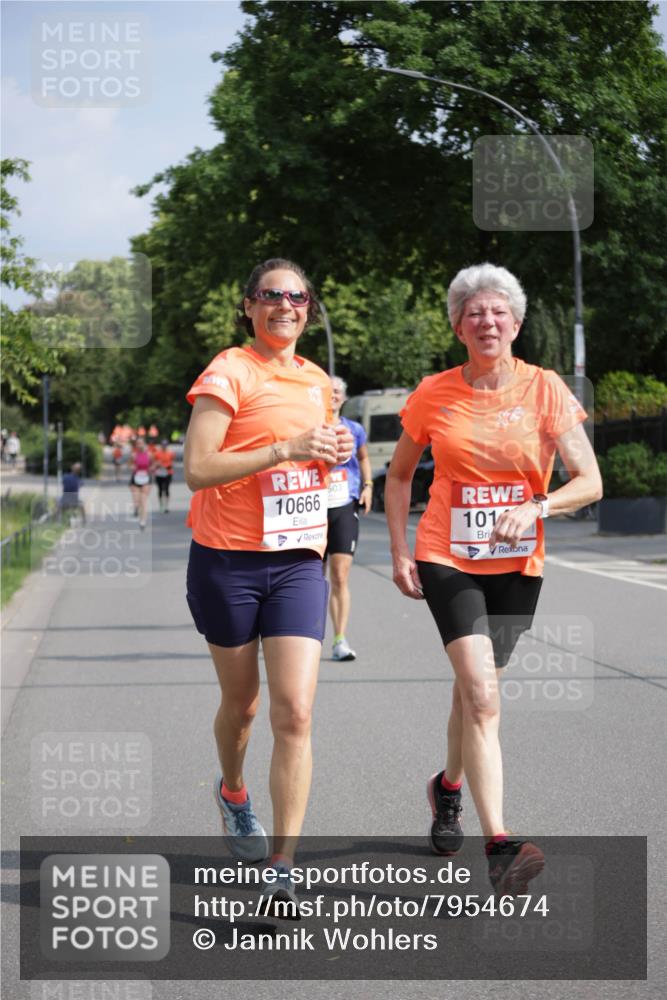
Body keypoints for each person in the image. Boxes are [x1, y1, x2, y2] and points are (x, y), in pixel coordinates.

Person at [385, 263, 602, 897]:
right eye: (474, 312)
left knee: (472, 692)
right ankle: (502, 846)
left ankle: (447, 787)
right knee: (482, 696)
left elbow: (588, 481)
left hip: (517, 561)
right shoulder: (433, 393)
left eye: (497, 311)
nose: (487, 321)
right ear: (458, 327)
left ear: (516, 322)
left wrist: (535, 507)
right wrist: (400, 551)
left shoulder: (545, 389)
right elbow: (399, 477)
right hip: (447, 553)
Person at [184, 258, 353, 914]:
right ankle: (232, 792)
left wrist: (332, 452)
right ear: (249, 306)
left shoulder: (316, 380)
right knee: (245, 707)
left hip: (294, 562)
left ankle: (281, 868)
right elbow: (198, 467)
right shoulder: (228, 372)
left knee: (296, 712)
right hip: (227, 562)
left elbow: (321, 452)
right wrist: (284, 449)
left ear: (309, 307)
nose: (286, 305)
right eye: (271, 295)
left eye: (298, 296)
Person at [325, 376, 373, 661]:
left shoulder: (354, 430)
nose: (332, 396)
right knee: (310, 580)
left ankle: (339, 639)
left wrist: (367, 486)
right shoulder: (311, 429)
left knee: (340, 576)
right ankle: (299, 636)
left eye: (337, 392)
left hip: (344, 502)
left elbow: (364, 458)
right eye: (327, 392)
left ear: (343, 398)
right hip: (313, 507)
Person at [129, 437, 154, 529]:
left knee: (143, 500)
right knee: (137, 500)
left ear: (144, 444)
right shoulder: (133, 455)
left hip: (146, 478)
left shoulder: (150, 455)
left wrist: (152, 468)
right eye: (137, 443)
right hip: (135, 478)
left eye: (141, 443)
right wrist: (132, 467)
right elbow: (130, 464)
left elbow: (153, 464)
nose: (139, 445)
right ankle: (136, 508)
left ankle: (143, 520)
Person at [154, 439, 174, 513]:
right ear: (161, 445)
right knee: (160, 489)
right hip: (159, 473)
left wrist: (168, 466)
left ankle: (166, 506)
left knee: (166, 489)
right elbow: (154, 463)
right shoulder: (157, 453)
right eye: (163, 444)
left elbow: (172, 462)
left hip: (168, 472)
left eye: (165, 444)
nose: (164, 446)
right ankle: (161, 505)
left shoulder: (170, 453)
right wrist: (157, 465)